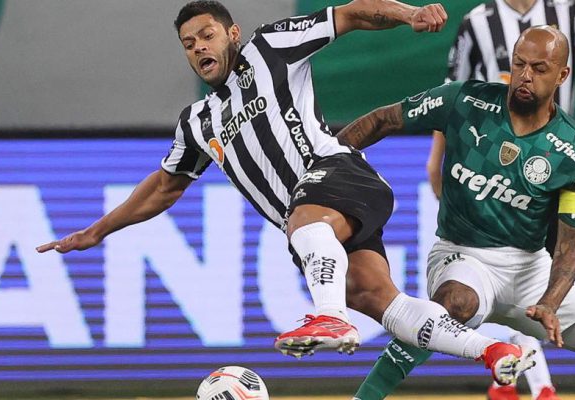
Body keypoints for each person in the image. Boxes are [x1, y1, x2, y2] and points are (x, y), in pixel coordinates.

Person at [35, 0, 534, 385]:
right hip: (317, 224)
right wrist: (97, 230)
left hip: (338, 175)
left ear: (231, 34)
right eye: (189, 44)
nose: (199, 48)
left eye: (207, 35)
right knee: (384, 303)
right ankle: (495, 352)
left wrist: (408, 14)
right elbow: (164, 187)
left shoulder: (268, 48)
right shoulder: (197, 122)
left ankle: (330, 316)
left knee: (305, 224)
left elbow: (352, 14)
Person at [338, 26, 575, 400]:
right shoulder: (464, 101)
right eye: (519, 64)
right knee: (454, 304)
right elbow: (382, 119)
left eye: (540, 68)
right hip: (462, 255)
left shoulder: (573, 151)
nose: (526, 76)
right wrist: (327, 165)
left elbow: (571, 243)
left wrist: (550, 301)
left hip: (531, 270)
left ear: (562, 75)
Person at [426, 1, 575, 398]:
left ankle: (513, 379)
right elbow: (452, 95)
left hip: (551, 170)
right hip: (486, 161)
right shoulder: (476, 22)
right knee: (500, 269)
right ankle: (532, 384)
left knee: (528, 270)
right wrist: (436, 157)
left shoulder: (571, 13)